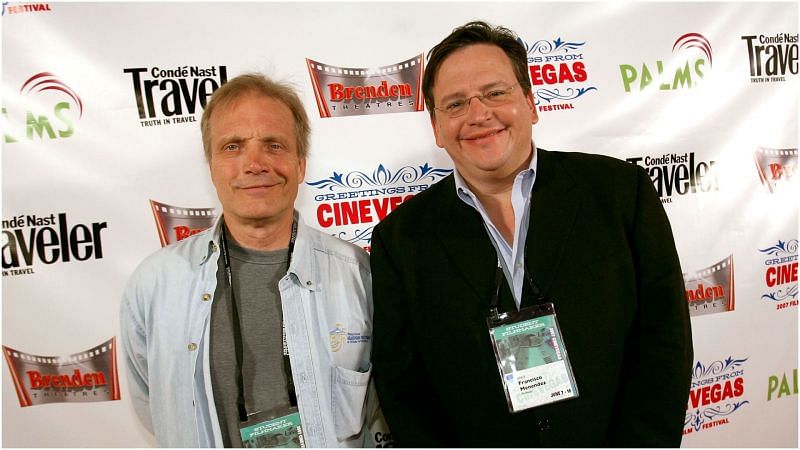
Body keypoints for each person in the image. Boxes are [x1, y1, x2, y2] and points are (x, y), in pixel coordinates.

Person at [370, 21, 693, 447]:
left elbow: (664, 345)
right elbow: (404, 391)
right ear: (436, 128)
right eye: (455, 104)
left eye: (495, 93)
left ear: (530, 102)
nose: (478, 114)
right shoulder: (400, 240)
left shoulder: (619, 194)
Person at [120, 73, 389, 447]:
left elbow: (382, 405)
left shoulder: (359, 273)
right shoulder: (156, 284)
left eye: (274, 145)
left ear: (300, 164)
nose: (255, 163)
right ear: (211, 166)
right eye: (233, 146)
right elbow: (156, 406)